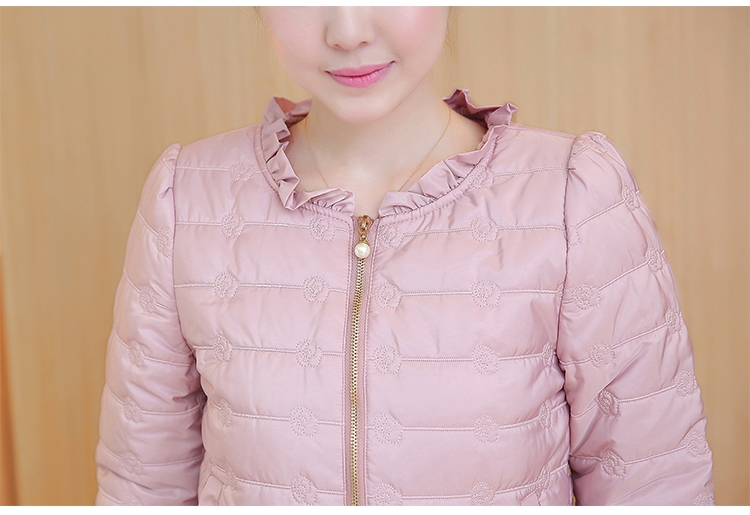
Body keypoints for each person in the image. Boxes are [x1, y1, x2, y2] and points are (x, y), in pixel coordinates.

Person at [94, 7, 714, 506]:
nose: (348, 31)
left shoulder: (572, 200)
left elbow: (653, 484)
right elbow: (142, 487)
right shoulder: (188, 199)